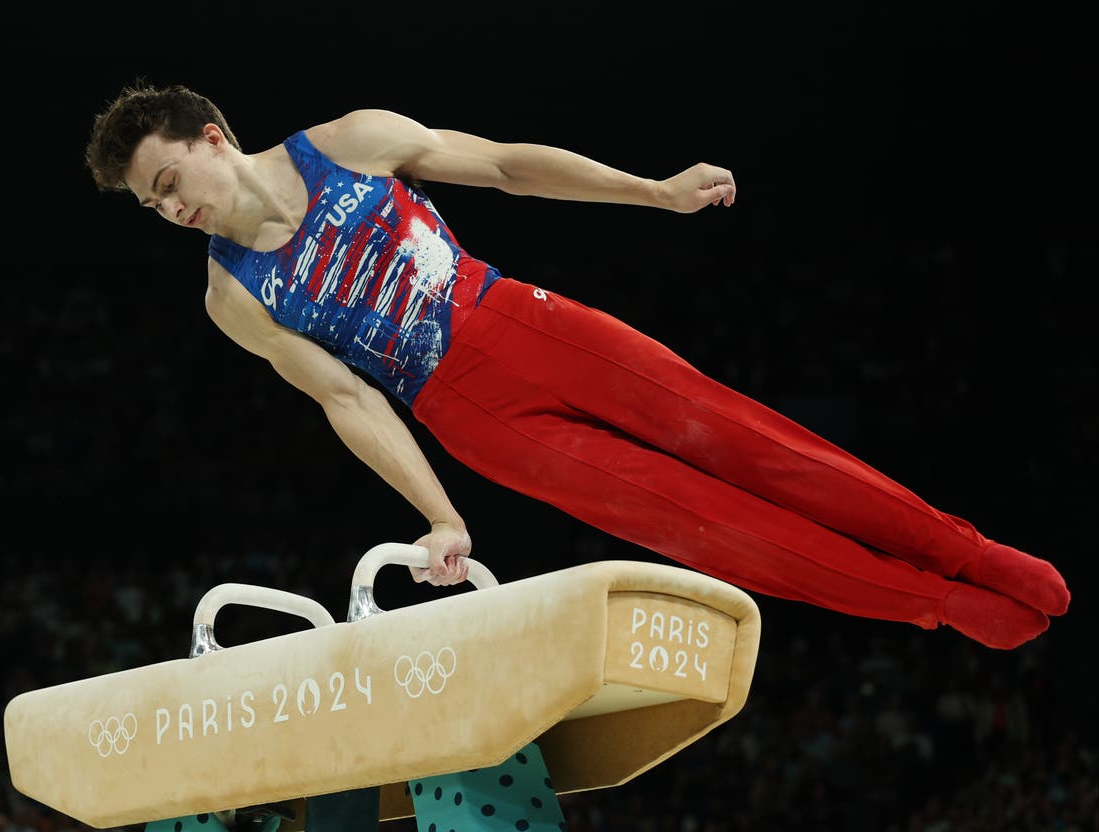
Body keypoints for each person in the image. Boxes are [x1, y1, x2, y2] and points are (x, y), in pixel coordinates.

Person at [84, 81, 1069, 650]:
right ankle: (935, 603)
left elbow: (509, 164)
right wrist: (441, 515)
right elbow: (347, 397)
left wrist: (651, 192)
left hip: (521, 321)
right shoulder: (232, 297)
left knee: (753, 445)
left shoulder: (350, 142)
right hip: (469, 418)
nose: (174, 211)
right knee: (705, 528)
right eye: (153, 207)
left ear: (212, 138)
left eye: (170, 182)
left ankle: (966, 552)